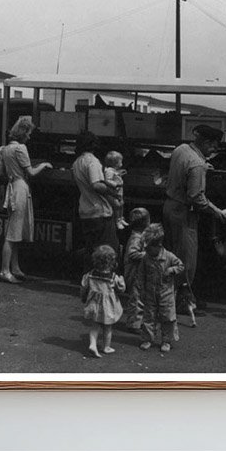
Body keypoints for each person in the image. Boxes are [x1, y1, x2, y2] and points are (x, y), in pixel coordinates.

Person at [162, 123, 226, 298]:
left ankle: (168, 295)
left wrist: (203, 165)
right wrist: (219, 212)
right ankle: (183, 300)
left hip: (170, 206)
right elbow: (196, 197)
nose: (215, 151)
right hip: (184, 212)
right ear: (206, 142)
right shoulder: (197, 164)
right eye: (214, 146)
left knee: (171, 254)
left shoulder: (182, 149)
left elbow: (187, 166)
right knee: (186, 260)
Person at [0, 115, 52, 284]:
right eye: (28, 133)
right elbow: (32, 172)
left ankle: (15, 267)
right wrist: (44, 165)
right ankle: (5, 270)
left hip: (12, 187)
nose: (29, 136)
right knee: (13, 232)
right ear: (23, 133)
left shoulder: (4, 149)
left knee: (16, 230)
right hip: (20, 187)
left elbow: (0, 174)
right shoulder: (21, 148)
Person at [71, 132, 119, 265]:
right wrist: (112, 192)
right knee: (108, 251)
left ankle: (89, 280)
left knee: (91, 251)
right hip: (99, 212)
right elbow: (96, 185)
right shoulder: (92, 161)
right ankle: (104, 282)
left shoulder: (77, 162)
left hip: (86, 211)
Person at [138, 223, 184, 353]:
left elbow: (181, 266)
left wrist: (171, 269)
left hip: (166, 293)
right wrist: (141, 288)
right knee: (148, 316)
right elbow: (141, 274)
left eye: (148, 248)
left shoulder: (169, 256)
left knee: (167, 317)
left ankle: (166, 340)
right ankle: (147, 338)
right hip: (150, 292)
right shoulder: (146, 258)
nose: (146, 251)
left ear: (158, 245)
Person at [80, 244, 125, 357]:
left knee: (94, 326)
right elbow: (121, 289)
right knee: (107, 328)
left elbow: (83, 287)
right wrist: (122, 282)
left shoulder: (89, 275)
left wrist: (83, 298)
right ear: (111, 262)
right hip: (108, 307)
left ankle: (93, 344)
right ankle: (106, 347)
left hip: (94, 305)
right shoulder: (113, 277)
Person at [122, 206, 150, 332]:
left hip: (138, 274)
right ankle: (133, 324)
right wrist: (147, 255)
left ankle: (137, 322)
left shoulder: (139, 236)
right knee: (136, 299)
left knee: (139, 298)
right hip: (134, 274)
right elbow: (132, 254)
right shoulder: (136, 239)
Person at [103, 149, 128, 229]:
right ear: (115, 163)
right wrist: (116, 184)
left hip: (119, 193)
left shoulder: (114, 170)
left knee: (121, 204)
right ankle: (117, 220)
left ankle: (121, 218)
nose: (121, 163)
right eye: (120, 161)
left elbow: (115, 175)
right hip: (113, 193)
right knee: (117, 206)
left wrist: (120, 173)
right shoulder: (109, 171)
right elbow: (107, 180)